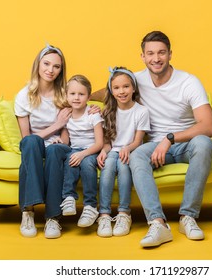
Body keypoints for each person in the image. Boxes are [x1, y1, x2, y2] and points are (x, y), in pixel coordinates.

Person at [92, 31, 212, 248]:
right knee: (136, 155)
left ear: (170, 54)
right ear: (142, 56)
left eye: (161, 52)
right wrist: (78, 100)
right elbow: (111, 90)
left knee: (204, 143)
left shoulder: (188, 82)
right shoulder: (136, 80)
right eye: (150, 53)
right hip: (152, 146)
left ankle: (188, 217)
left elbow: (208, 126)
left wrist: (169, 139)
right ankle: (158, 224)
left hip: (184, 143)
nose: (156, 58)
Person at [14, 44, 72, 239]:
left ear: (61, 70)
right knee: (30, 143)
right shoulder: (24, 96)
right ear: (38, 65)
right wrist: (56, 125)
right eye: (46, 64)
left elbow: (66, 136)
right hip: (34, 146)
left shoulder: (65, 94)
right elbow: (26, 138)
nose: (50, 70)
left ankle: (52, 218)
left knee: (56, 152)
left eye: (56, 66)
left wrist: (95, 108)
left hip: (56, 147)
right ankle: (28, 212)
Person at [96, 67, 150, 238]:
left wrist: (127, 149)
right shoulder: (108, 112)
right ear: (111, 91)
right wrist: (103, 151)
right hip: (113, 150)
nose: (122, 91)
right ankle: (104, 215)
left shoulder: (141, 111)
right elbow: (107, 142)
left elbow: (137, 140)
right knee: (109, 164)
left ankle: (124, 213)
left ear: (133, 88)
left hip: (132, 150)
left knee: (124, 166)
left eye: (126, 86)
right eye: (117, 88)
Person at [60, 75, 104, 228]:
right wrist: (59, 141)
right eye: (72, 94)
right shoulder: (66, 115)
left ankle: (90, 206)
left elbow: (99, 143)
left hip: (91, 150)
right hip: (75, 149)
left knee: (86, 164)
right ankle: (69, 198)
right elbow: (66, 139)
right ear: (66, 95)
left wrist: (83, 154)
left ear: (89, 97)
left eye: (81, 94)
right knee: (70, 160)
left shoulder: (93, 115)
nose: (76, 98)